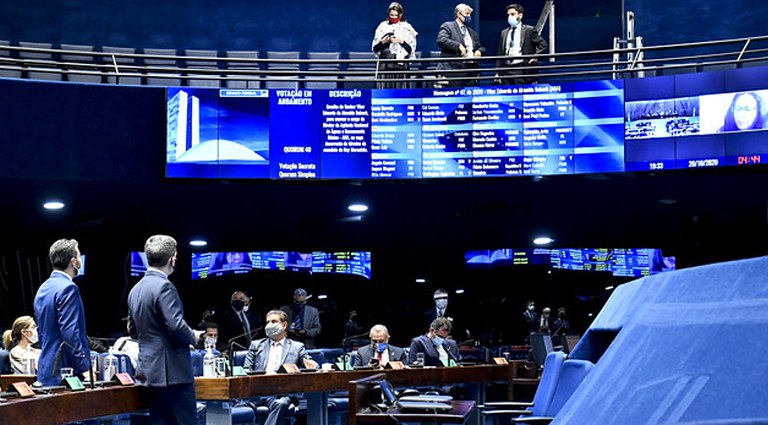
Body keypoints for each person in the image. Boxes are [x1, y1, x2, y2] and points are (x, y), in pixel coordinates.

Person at [127, 235, 204, 425]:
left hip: (150, 373)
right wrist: (193, 336)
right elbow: (176, 326)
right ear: (172, 259)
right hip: (173, 373)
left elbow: (133, 331)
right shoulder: (165, 286)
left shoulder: (135, 289)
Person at [243, 310, 319, 425]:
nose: (269, 325)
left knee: (281, 403)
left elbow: (309, 362)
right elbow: (246, 369)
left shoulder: (297, 347)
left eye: (274, 321)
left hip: (284, 392)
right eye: (268, 322)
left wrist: (313, 364)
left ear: (284, 325)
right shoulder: (256, 345)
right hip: (259, 390)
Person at [33, 238, 91, 386]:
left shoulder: (43, 288)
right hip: (66, 370)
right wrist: (83, 367)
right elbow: (70, 332)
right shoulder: (68, 288)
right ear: (73, 261)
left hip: (46, 366)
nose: (79, 260)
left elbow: (41, 331)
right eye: (78, 256)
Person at [495, 3, 547, 85]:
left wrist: (535, 56)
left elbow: (542, 44)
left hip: (521, 69)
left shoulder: (529, 30)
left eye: (512, 14)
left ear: (520, 15)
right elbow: (500, 53)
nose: (509, 17)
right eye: (508, 15)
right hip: (506, 69)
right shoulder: (504, 32)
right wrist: (497, 72)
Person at [436, 3, 485, 87]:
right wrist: (458, 46)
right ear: (459, 14)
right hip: (453, 71)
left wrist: (479, 51)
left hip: (470, 72)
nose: (469, 16)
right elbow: (441, 40)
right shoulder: (448, 26)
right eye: (467, 14)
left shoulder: (472, 32)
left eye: (470, 14)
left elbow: (480, 46)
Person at [372, 2, 418, 89]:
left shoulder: (407, 28)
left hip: (401, 66)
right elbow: (375, 49)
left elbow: (410, 50)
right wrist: (383, 42)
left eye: (395, 15)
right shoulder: (382, 27)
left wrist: (401, 41)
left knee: (401, 91)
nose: (393, 17)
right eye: (391, 15)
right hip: (385, 64)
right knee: (384, 91)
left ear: (400, 15)